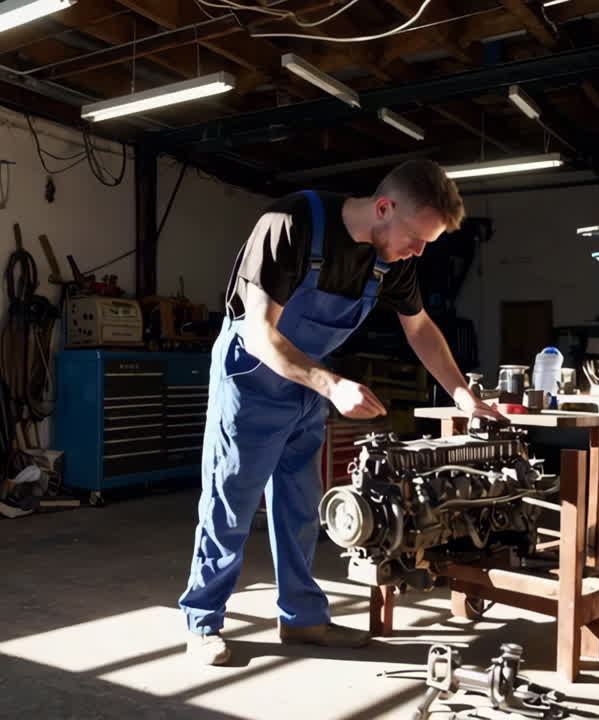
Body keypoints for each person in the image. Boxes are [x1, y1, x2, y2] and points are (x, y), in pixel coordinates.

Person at [178, 159, 507, 666]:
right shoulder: (289, 225)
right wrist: (331, 384)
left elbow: (419, 328)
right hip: (252, 378)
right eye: (417, 238)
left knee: (302, 506)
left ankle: (303, 619)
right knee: (231, 502)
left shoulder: (392, 260)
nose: (419, 251)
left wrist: (461, 393)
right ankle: (202, 621)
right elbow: (260, 334)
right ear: (383, 208)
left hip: (309, 386)